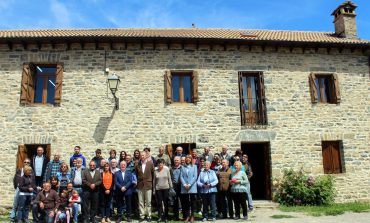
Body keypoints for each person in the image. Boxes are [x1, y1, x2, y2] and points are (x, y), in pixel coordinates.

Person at [135, 151, 154, 222]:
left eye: (143, 155)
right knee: (141, 202)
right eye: (141, 155)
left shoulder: (150, 164)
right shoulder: (137, 165)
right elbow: (136, 175)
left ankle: (149, 215)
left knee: (148, 202)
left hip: (148, 185)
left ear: (146, 156)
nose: (142, 157)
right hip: (140, 186)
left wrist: (152, 183)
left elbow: (153, 174)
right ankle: (142, 216)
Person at [180, 155, 198, 223]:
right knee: (186, 203)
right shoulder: (182, 167)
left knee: (193, 202)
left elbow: (195, 176)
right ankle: (187, 216)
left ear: (191, 159)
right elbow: (181, 176)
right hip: (184, 188)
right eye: (187, 159)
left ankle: (192, 216)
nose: (188, 160)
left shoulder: (194, 166)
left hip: (192, 187)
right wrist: (184, 184)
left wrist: (189, 184)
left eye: (189, 159)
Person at [170, 156, 182, 221]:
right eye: (175, 160)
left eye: (177, 160)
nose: (176, 161)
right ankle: (175, 216)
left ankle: (185, 216)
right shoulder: (171, 169)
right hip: (174, 186)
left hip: (181, 186)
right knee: (175, 202)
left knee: (183, 201)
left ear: (180, 161)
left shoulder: (182, 168)